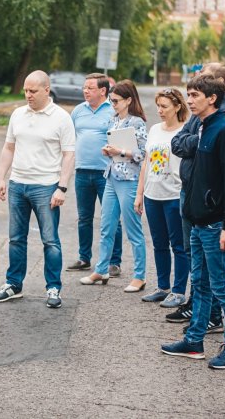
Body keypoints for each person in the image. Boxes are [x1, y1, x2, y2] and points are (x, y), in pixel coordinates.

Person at [161, 74, 225, 369]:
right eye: (189, 94)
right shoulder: (202, 126)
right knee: (200, 283)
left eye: (195, 95)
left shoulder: (224, 130)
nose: (190, 100)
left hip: (215, 225)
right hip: (197, 222)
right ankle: (195, 341)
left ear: (212, 98)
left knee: (222, 286)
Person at [0, 70, 75, 308]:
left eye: (33, 91)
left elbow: (69, 155)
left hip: (46, 187)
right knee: (16, 239)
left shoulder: (61, 118)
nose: (28, 95)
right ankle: (13, 284)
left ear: (47, 90)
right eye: (26, 91)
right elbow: (9, 148)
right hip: (18, 184)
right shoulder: (18, 114)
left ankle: (53, 288)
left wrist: (62, 188)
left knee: (50, 240)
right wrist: (1, 178)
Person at [80, 80, 147, 293]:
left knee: (133, 230)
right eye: (111, 100)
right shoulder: (113, 120)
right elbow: (114, 148)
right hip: (111, 176)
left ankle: (139, 276)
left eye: (116, 101)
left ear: (128, 100)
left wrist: (121, 151)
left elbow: (144, 155)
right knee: (106, 226)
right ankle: (101, 269)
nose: (113, 104)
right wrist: (108, 150)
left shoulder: (137, 123)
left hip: (129, 181)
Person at [134, 88, 190, 308]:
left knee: (178, 245)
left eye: (165, 106)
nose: (160, 110)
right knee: (159, 244)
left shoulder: (186, 130)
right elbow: (146, 163)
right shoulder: (155, 129)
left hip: (174, 195)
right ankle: (163, 287)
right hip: (152, 195)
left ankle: (178, 292)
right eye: (158, 105)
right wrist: (139, 194)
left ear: (177, 106)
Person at [66, 73, 123, 277]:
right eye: (85, 87)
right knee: (84, 218)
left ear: (103, 90)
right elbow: (70, 139)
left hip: (105, 173)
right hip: (82, 172)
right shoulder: (78, 111)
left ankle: (114, 262)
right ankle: (84, 258)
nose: (85, 91)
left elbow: (120, 139)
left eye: (90, 87)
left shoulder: (113, 111)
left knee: (111, 218)